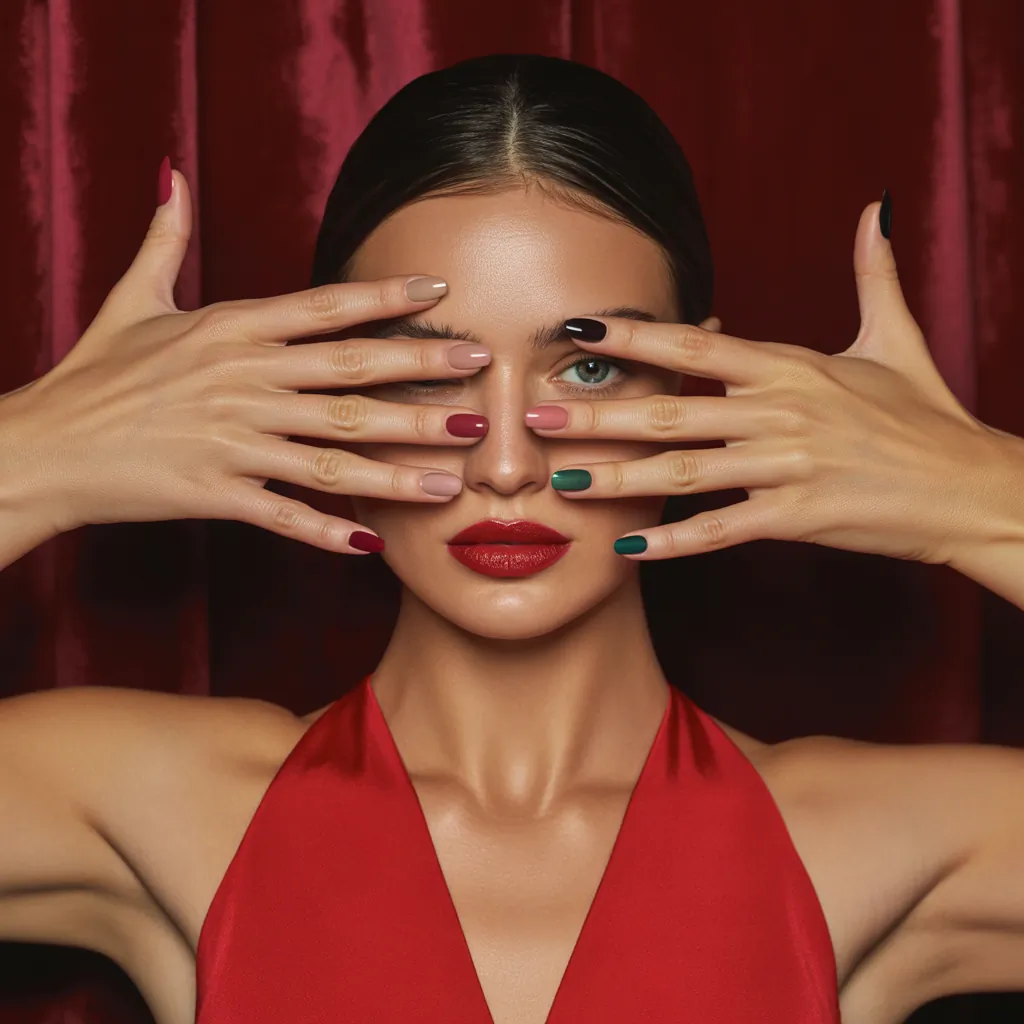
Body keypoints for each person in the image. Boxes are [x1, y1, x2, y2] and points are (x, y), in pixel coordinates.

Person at [1, 53, 1023, 1024]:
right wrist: (38, 454)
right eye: (429, 371)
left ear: (701, 385)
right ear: (318, 387)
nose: (503, 465)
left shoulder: (868, 843)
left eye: (586, 368)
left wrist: (977, 494)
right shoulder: (175, 811)